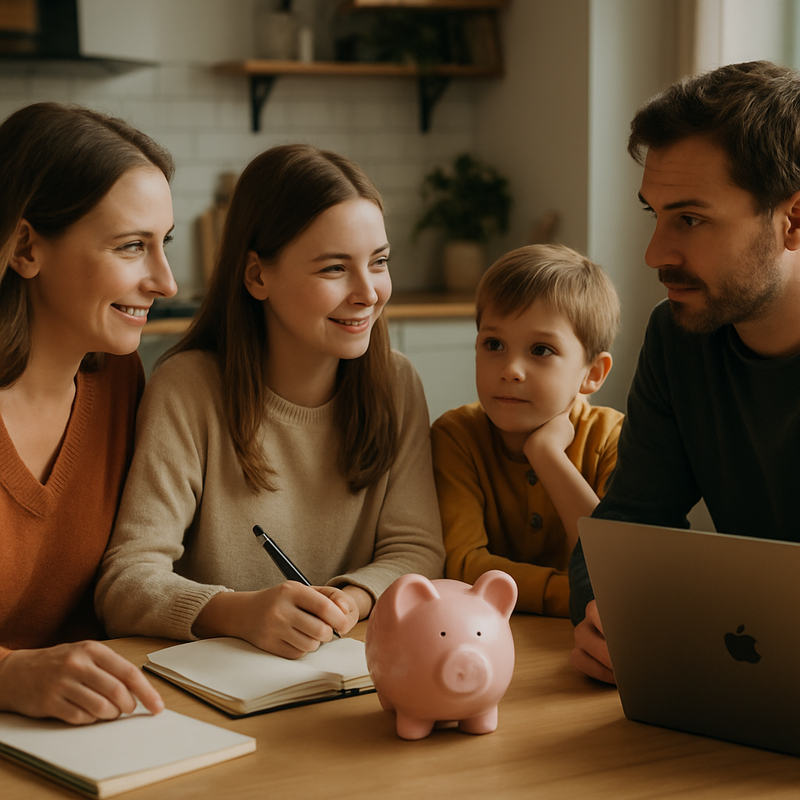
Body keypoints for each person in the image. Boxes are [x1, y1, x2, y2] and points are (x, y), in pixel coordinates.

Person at [95, 143, 445, 659]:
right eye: (334, 269)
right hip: (216, 689)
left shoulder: (396, 385)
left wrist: (350, 601)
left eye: (379, 262)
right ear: (258, 275)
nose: (369, 292)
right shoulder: (188, 389)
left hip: (343, 675)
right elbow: (126, 581)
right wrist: (239, 612)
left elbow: (416, 548)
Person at [569, 60, 800, 684]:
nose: (654, 255)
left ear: (794, 220)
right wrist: (609, 614)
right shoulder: (678, 338)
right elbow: (628, 524)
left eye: (691, 219)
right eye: (656, 214)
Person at [0, 102, 177, 722]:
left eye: (164, 245)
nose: (166, 281)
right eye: (132, 246)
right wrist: (8, 673)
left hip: (88, 728)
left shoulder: (119, 377)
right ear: (26, 246)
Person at [431, 244, 623, 617]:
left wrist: (548, 456)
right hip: (478, 638)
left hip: (580, 644)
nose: (511, 369)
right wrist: (572, 594)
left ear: (592, 373)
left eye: (540, 350)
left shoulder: (612, 439)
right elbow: (462, 566)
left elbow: (612, 570)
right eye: (494, 344)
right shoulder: (456, 435)